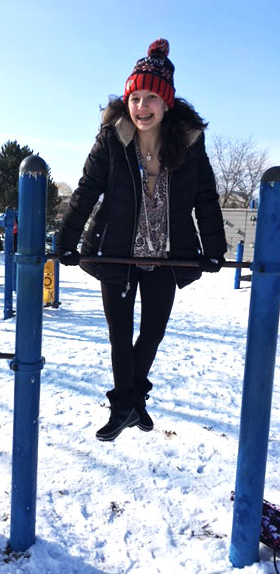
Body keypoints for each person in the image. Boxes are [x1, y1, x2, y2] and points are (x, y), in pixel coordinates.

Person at [57, 39, 227, 442]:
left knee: (152, 330)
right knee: (119, 331)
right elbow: (86, 190)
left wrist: (214, 249)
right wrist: (68, 239)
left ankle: (133, 400)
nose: (141, 106)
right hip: (117, 248)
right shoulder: (112, 137)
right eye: (135, 96)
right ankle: (125, 406)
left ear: (166, 103)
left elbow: (205, 196)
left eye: (151, 97)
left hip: (168, 252)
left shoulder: (188, 141)